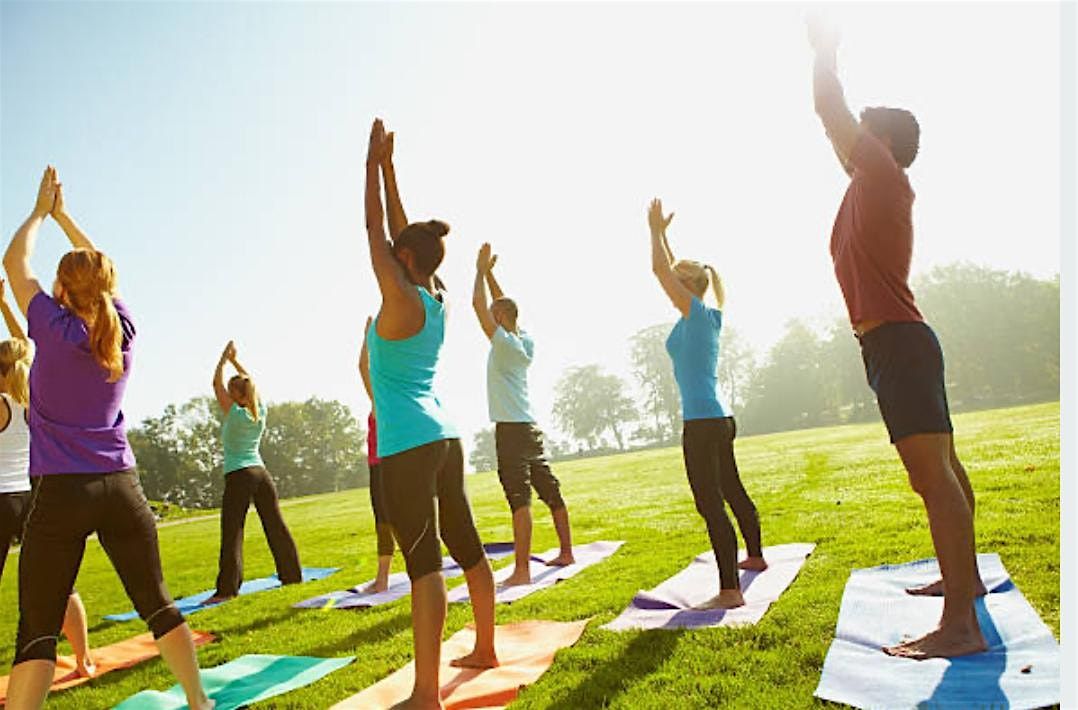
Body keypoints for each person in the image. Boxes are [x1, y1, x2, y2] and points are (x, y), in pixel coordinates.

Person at [808, 19, 986, 658]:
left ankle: (960, 624)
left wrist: (823, 49)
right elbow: (836, 127)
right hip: (898, 344)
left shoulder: (880, 175)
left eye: (861, 126)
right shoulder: (868, 184)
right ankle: (964, 586)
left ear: (880, 141)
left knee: (931, 479)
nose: (847, 134)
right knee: (944, 472)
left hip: (900, 345)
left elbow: (829, 109)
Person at [2, 166, 212, 709]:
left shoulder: (52, 326)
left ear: (63, 290)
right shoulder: (122, 326)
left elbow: (13, 264)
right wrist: (67, 217)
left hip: (61, 493)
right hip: (121, 486)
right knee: (158, 603)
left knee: (39, 628)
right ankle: (199, 701)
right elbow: (105, 275)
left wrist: (38, 212)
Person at [364, 118, 498, 710]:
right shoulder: (434, 293)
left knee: (423, 566)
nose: (390, 251)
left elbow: (375, 226)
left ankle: (426, 693)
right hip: (445, 435)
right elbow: (399, 230)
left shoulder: (397, 294)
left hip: (407, 444)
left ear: (406, 258)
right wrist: (391, 168)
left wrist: (369, 166)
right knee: (464, 541)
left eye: (398, 250)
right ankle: (486, 649)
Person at [647, 198, 766, 610]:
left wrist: (652, 231)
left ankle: (730, 590)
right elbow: (675, 268)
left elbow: (662, 270)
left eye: (678, 284)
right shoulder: (701, 315)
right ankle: (755, 554)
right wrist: (664, 235)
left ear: (688, 288)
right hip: (718, 416)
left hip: (701, 421)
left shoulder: (697, 315)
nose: (668, 288)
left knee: (710, 503)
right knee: (730, 487)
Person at [0, 279, 96, 679]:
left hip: (3, 499)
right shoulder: (39, 392)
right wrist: (5, 306)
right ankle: (84, 660)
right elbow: (25, 347)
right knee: (60, 584)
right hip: (37, 494)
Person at [471, 243, 574, 586]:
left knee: (519, 498)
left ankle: (522, 571)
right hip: (529, 426)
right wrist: (490, 274)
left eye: (494, 313)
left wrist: (477, 271)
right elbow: (504, 308)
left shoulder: (503, 344)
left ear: (499, 318)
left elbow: (478, 306)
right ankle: (566, 551)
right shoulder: (523, 341)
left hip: (511, 431)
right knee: (549, 488)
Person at [207, 340, 302, 604]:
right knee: (276, 525)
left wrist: (223, 360)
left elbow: (215, 384)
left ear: (237, 395)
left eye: (230, 391)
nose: (225, 393)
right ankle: (292, 575)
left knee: (232, 530)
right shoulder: (259, 411)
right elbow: (251, 384)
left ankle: (226, 590)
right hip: (261, 473)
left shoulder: (236, 414)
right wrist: (236, 362)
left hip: (239, 474)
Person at [358, 315, 395, 593]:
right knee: (384, 521)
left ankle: (383, 579)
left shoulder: (387, 399)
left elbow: (362, 366)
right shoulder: (381, 398)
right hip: (379, 466)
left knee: (390, 521)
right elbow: (363, 367)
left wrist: (369, 336)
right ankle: (382, 578)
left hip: (390, 466)